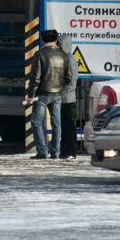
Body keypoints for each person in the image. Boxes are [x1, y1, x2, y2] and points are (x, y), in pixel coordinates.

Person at [26, 29, 75, 159]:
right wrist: (59, 87)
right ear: (55, 40)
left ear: (42, 40)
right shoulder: (64, 55)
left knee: (36, 121)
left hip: (42, 94)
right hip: (57, 94)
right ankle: (56, 152)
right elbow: (69, 77)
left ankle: (42, 151)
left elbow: (35, 77)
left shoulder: (39, 54)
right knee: (56, 123)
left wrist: (30, 95)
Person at [58, 34, 79, 160]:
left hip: (66, 97)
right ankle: (66, 150)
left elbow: (69, 80)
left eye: (59, 44)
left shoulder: (69, 60)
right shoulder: (66, 58)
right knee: (65, 125)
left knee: (68, 125)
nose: (58, 46)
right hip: (65, 96)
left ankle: (70, 150)